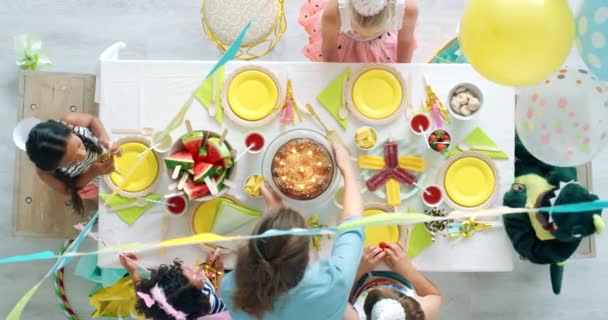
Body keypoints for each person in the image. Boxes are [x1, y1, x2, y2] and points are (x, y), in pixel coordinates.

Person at [220, 143, 364, 320]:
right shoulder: (332, 283)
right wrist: (347, 170)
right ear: (308, 257)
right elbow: (353, 223)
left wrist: (277, 212)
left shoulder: (231, 287)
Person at [25, 113, 120, 215]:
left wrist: (104, 139)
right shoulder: (44, 172)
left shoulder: (68, 121)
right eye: (73, 162)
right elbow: (67, 190)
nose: (83, 155)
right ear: (56, 168)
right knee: (113, 209)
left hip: (99, 151)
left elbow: (92, 120)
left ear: (70, 131)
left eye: (79, 145)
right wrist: (93, 172)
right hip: (86, 181)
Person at [344, 244, 442, 320]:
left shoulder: (351, 316)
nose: (382, 284)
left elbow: (340, 296)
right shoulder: (422, 312)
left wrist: (359, 270)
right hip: (400, 276)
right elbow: (434, 295)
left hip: (360, 281)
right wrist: (407, 270)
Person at [299, 0, 418, 63]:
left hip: (382, 41)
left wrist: (403, 72)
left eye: (372, 32)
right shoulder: (333, 12)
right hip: (344, 41)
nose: (364, 35)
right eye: (357, 30)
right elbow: (329, 52)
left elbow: (405, 41)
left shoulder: (408, 8)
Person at [120, 252, 230, 320]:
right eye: (198, 275)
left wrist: (133, 271)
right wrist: (217, 271)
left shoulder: (157, 308)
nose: (198, 268)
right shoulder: (210, 306)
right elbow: (219, 294)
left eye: (189, 270)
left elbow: (145, 299)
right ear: (198, 297)